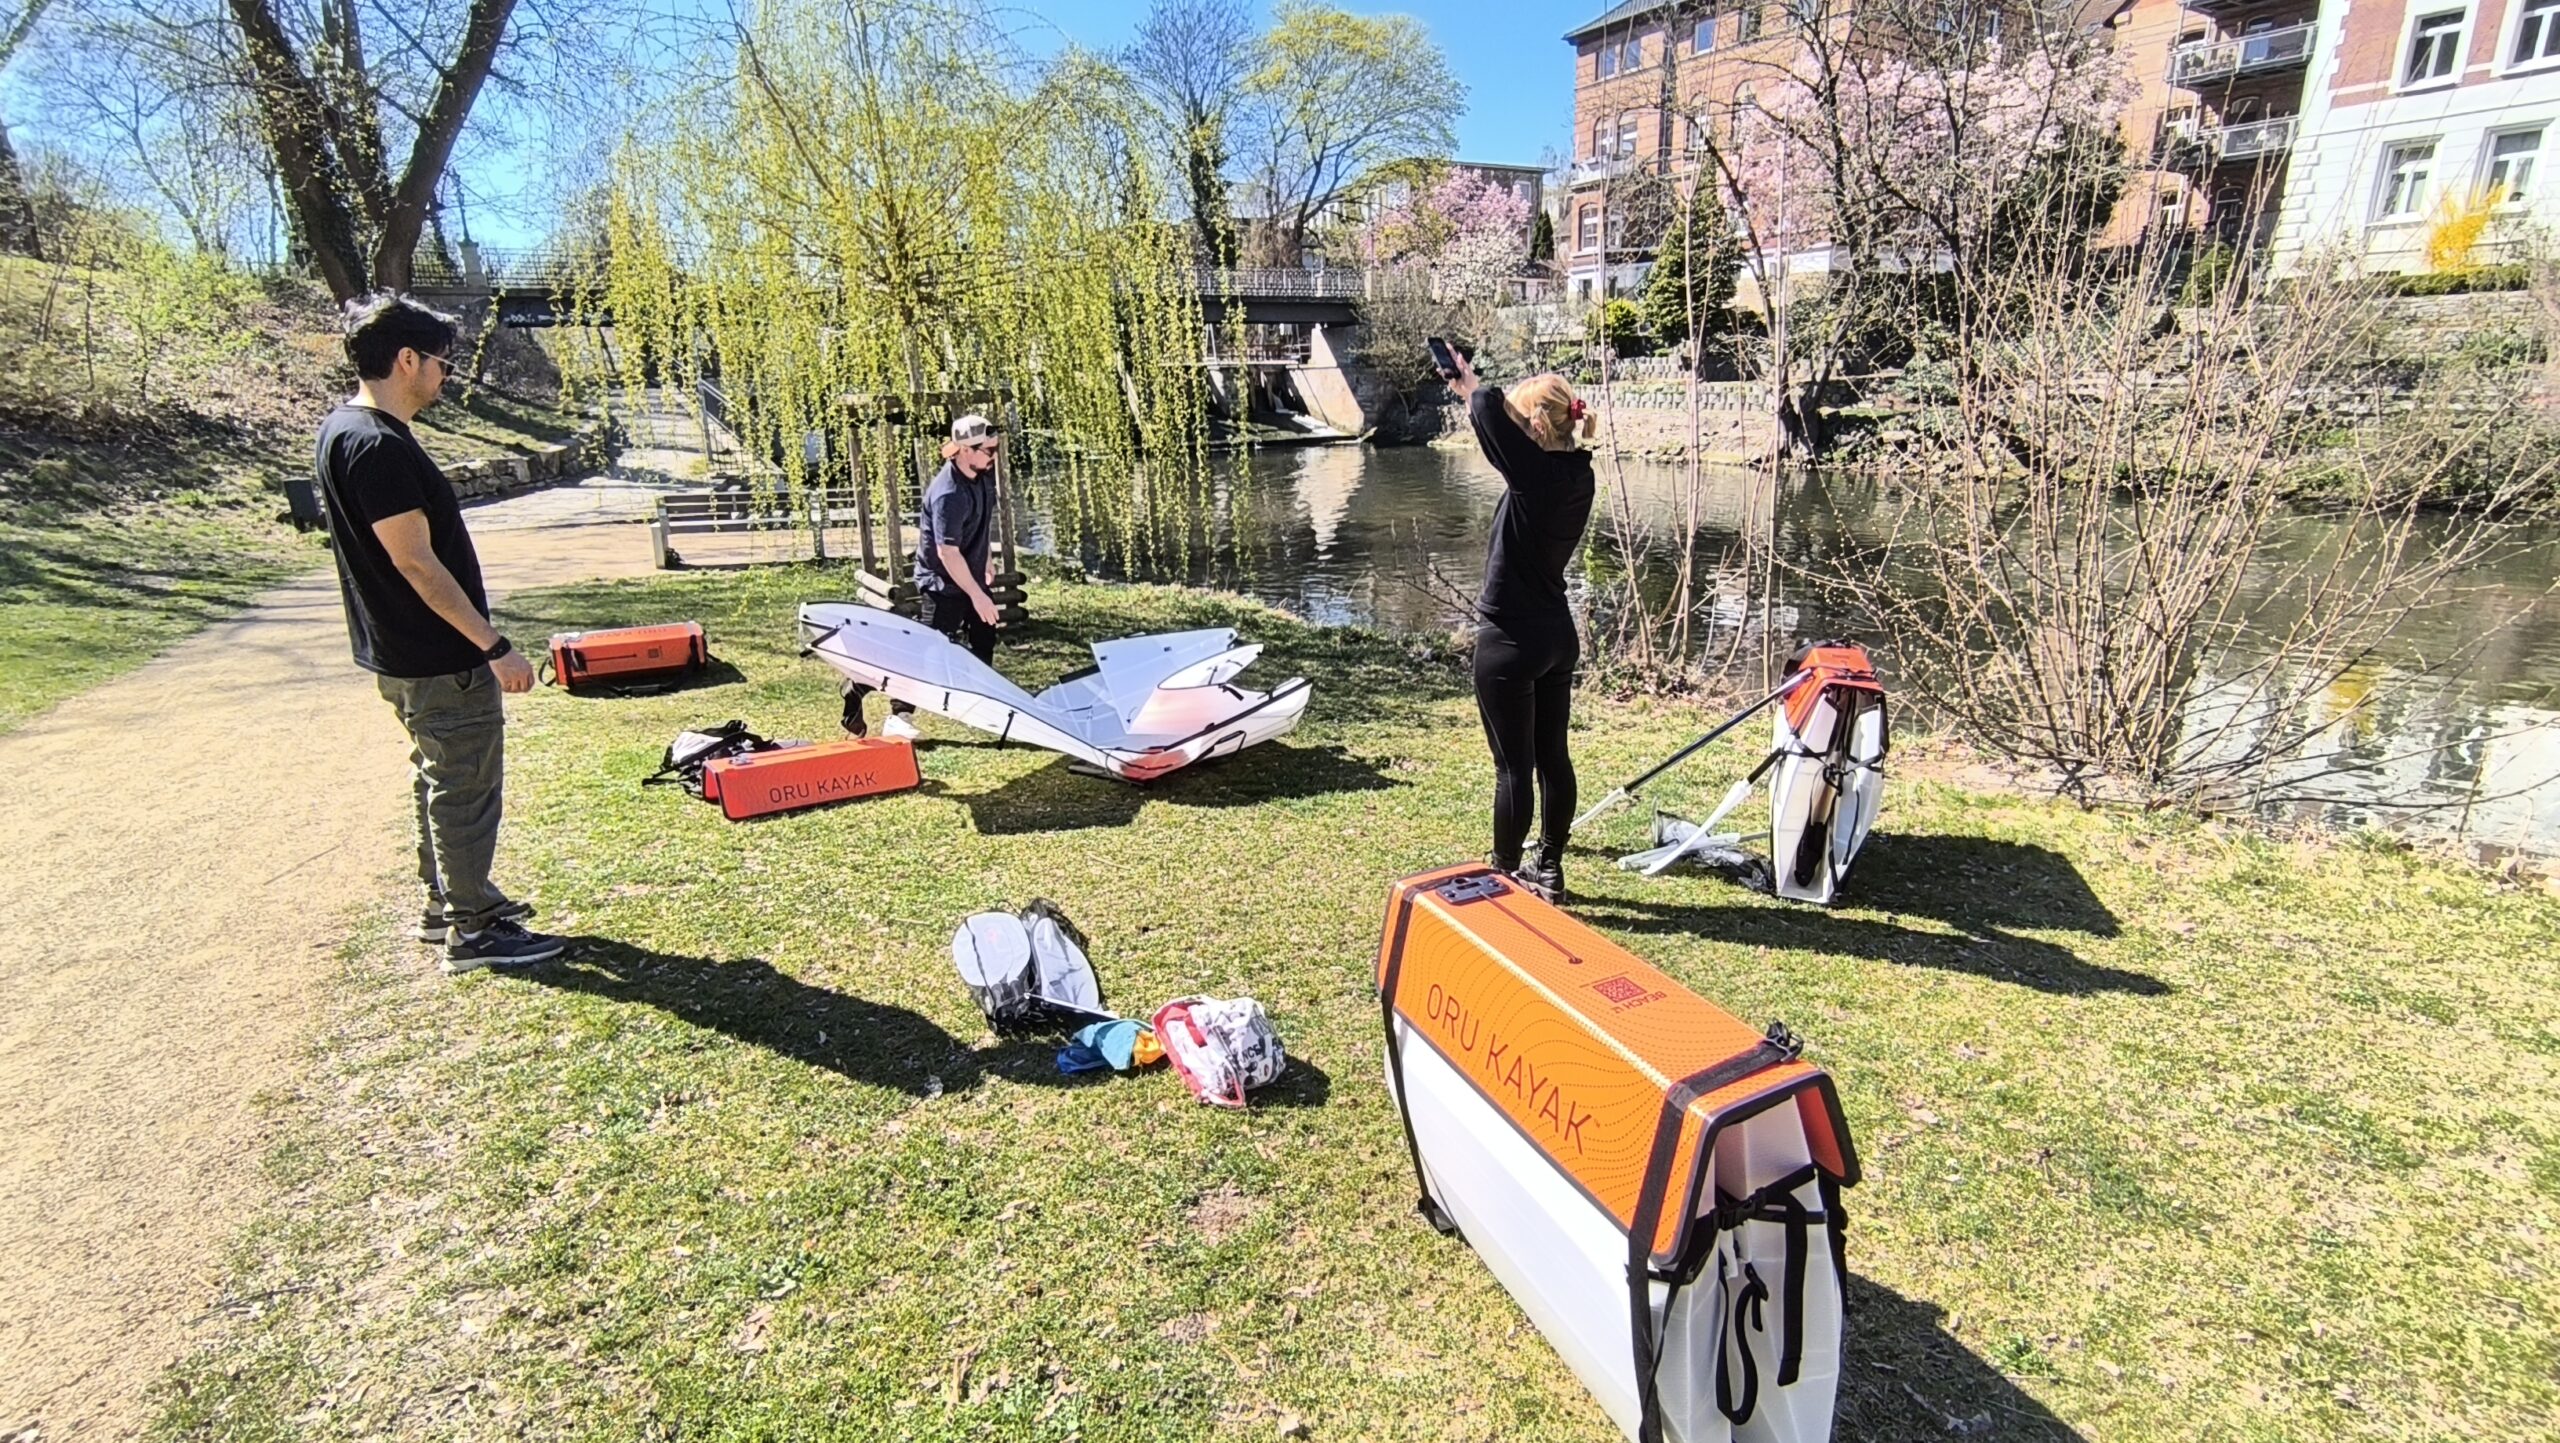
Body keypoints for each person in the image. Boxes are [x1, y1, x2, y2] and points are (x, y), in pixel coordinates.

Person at [315, 293, 563, 974]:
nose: (445, 376)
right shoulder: (376, 445)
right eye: (440, 363)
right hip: (436, 656)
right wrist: (493, 646)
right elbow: (417, 564)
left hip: (400, 654)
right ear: (406, 360)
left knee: (438, 776)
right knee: (464, 783)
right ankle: (474, 929)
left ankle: (448, 903)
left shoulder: (343, 429)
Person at [1444, 349, 1597, 903]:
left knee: (1513, 768)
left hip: (1511, 641)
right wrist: (1477, 400)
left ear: (1533, 426)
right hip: (1556, 635)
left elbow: (1486, 405)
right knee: (1552, 757)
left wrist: (1472, 386)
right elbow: (1496, 435)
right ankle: (1549, 868)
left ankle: (1504, 873)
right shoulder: (1577, 474)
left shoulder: (1534, 478)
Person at [843, 414, 1006, 739]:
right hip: (942, 583)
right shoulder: (948, 493)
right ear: (963, 450)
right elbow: (948, 553)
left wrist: (986, 559)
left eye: (995, 449)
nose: (994, 456)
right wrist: (977, 594)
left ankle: (983, 704)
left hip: (970, 576)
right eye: (988, 450)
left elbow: (982, 524)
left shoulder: (983, 476)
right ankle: (885, 707)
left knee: (985, 636)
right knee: (923, 653)